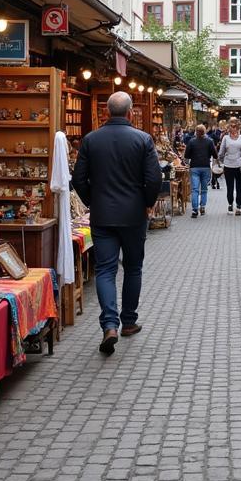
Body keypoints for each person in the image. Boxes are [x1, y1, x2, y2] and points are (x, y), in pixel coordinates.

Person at [71, 91, 162, 355]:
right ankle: (129, 321)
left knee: (106, 270)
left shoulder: (91, 140)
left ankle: (109, 324)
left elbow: (78, 178)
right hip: (133, 215)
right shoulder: (143, 139)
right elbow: (153, 178)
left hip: (103, 216)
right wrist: (147, 202)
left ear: (106, 113)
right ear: (131, 112)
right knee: (133, 268)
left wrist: (92, 201)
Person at [183, 124, 217, 217]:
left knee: (195, 189)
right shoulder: (209, 141)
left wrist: (190, 159)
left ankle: (194, 210)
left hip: (194, 167)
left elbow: (186, 156)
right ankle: (202, 207)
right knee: (204, 189)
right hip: (205, 167)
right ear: (204, 131)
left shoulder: (191, 141)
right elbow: (215, 155)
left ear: (196, 132)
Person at [218, 118, 241, 214]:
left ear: (238, 127)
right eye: (231, 126)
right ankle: (230, 204)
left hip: (239, 165)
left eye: (234, 126)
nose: (233, 128)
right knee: (229, 187)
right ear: (228, 127)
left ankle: (238, 206)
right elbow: (221, 152)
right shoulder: (225, 138)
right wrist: (221, 161)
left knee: (239, 187)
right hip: (228, 165)